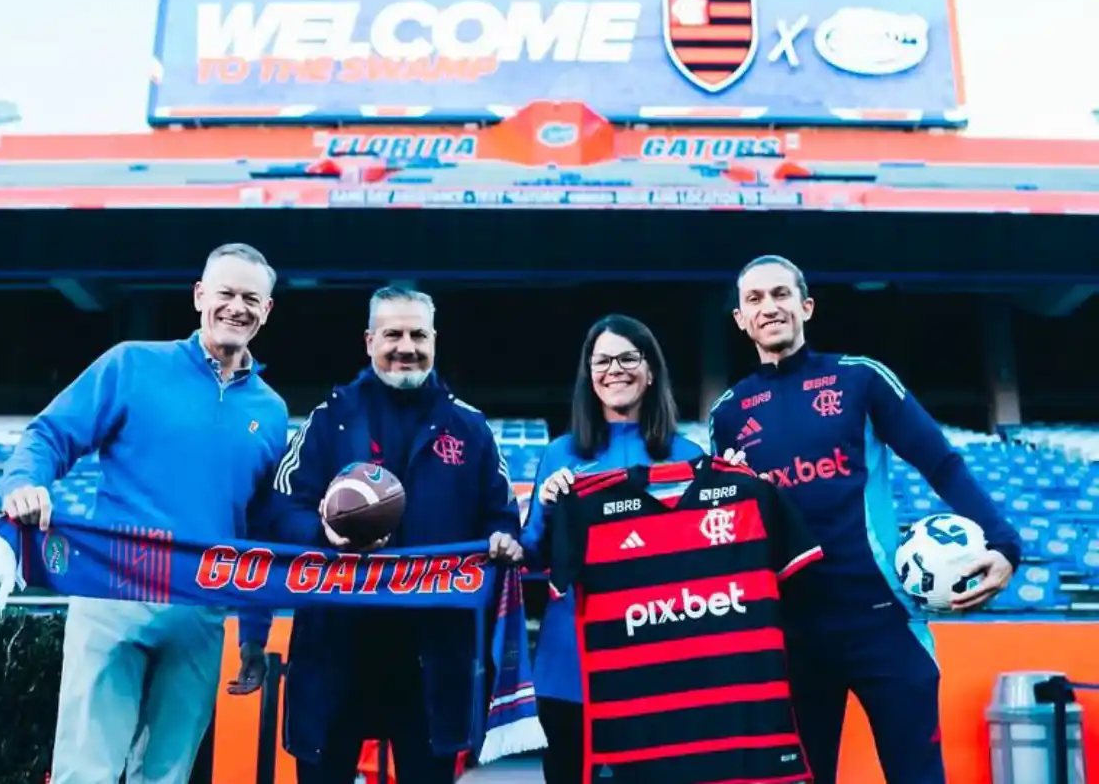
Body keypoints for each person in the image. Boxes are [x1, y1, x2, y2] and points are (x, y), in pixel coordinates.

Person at [709, 254, 1021, 784]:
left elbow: (940, 462)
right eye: (755, 299)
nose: (770, 308)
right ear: (741, 320)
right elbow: (728, 529)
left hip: (883, 621)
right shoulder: (729, 414)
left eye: (781, 294)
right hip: (792, 634)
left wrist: (1005, 546)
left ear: (806, 306)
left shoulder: (860, 379)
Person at [0, 243, 289, 784]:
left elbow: (262, 529)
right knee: (86, 771)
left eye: (251, 298)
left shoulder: (271, 412)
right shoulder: (132, 363)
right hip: (114, 593)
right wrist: (25, 483)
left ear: (267, 310)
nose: (237, 307)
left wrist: (254, 631)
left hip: (201, 611)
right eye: (225, 293)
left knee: (168, 775)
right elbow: (48, 434)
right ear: (200, 296)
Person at [253, 286, 523, 784]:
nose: (406, 346)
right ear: (369, 340)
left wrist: (504, 537)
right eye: (393, 334)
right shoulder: (328, 421)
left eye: (418, 334)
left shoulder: (470, 428)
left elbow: (501, 515)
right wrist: (323, 530)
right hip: (335, 647)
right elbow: (278, 509)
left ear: (435, 340)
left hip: (432, 655)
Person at [521, 314, 700, 784]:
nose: (614, 369)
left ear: (651, 369)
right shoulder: (560, 454)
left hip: (660, 664)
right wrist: (544, 505)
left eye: (627, 357)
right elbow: (532, 556)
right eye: (602, 360)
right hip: (570, 665)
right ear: (589, 373)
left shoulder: (689, 459)